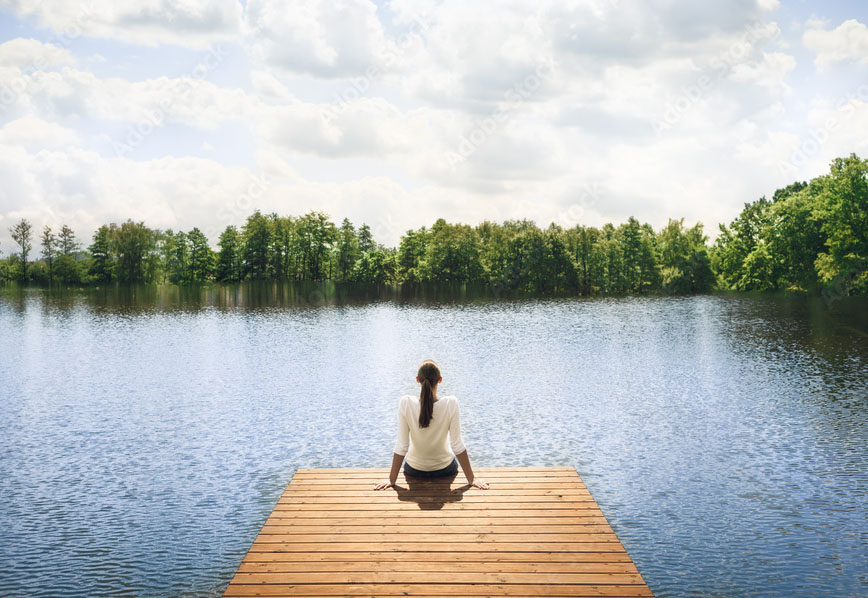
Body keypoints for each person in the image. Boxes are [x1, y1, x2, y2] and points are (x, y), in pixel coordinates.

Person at [374, 360, 490, 490]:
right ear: (440, 380)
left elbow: (402, 445)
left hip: (414, 469)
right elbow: (457, 445)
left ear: (417, 380)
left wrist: (391, 480)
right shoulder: (450, 404)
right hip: (444, 469)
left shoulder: (405, 403)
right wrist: (471, 479)